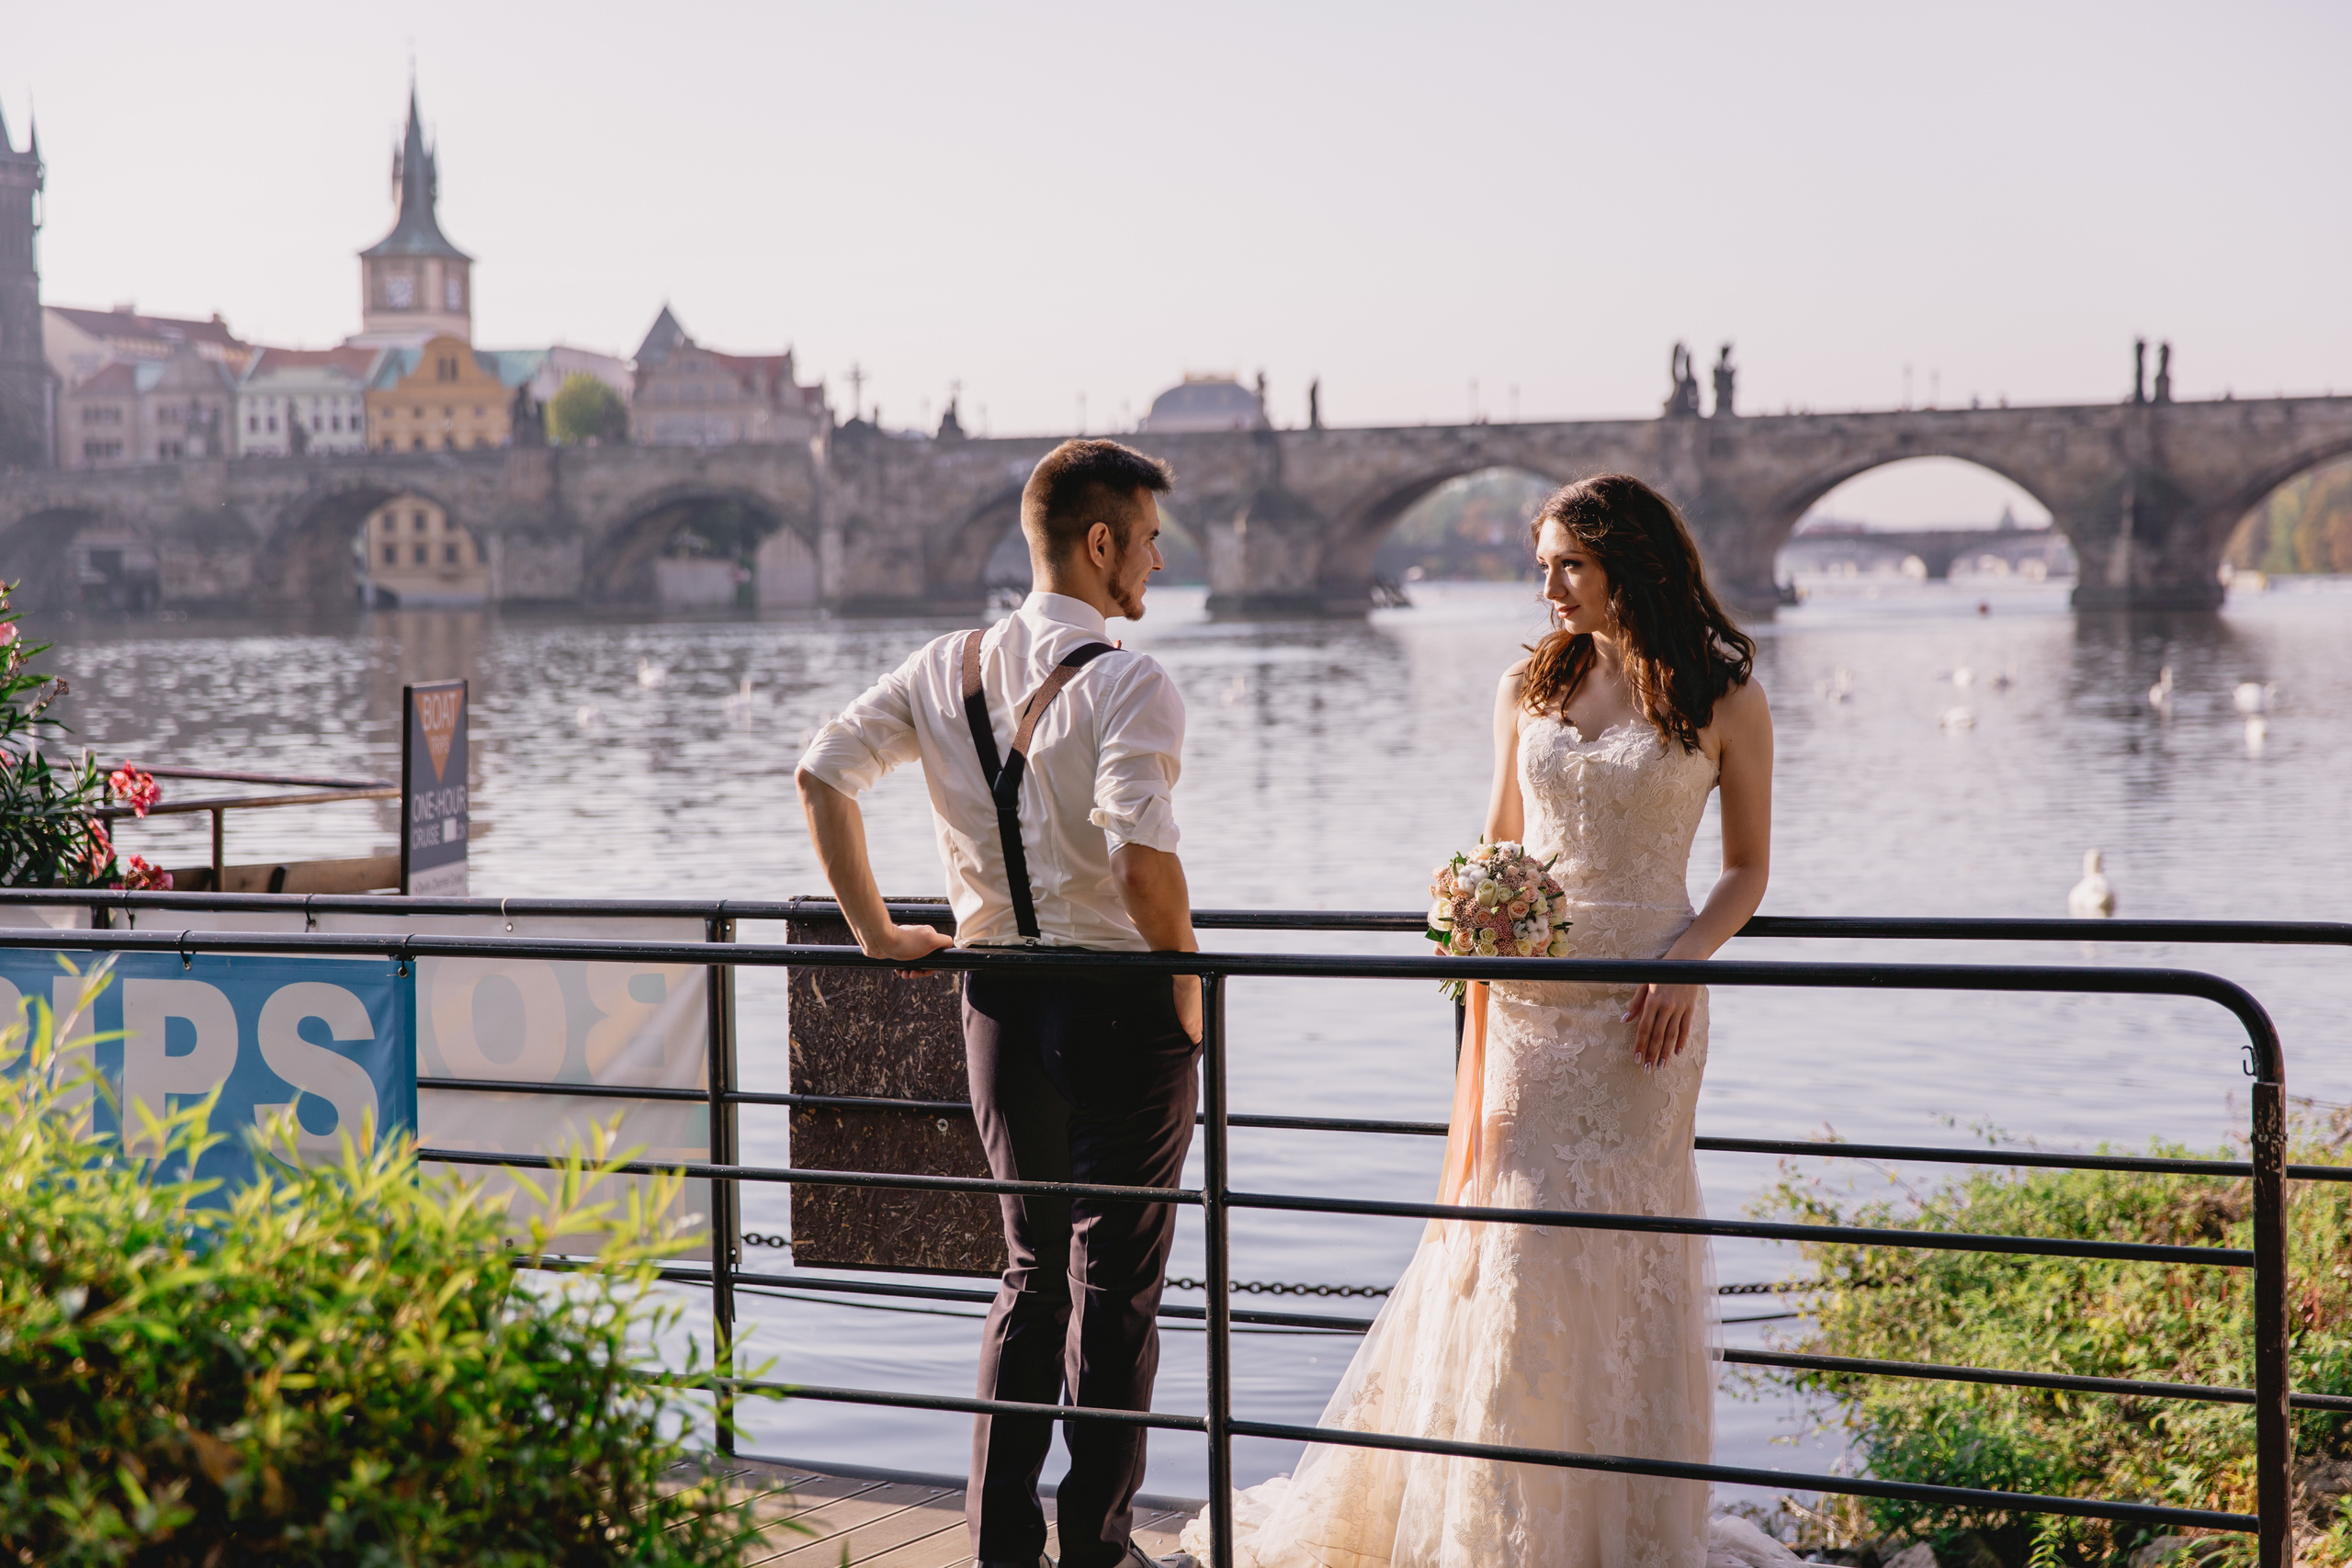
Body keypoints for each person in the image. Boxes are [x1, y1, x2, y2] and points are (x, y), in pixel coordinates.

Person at [1182, 474, 1789, 1567]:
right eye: (1544, 562)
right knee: (1512, 1245)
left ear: (1630, 565)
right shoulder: (1527, 684)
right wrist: (1468, 908)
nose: (1547, 584)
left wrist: (1690, 959)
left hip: (1645, 1008)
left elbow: (1745, 871)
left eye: (1569, 564)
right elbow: (1499, 840)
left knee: (1619, 1248)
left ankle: (1616, 1524)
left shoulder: (1726, 696)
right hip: (1525, 1003)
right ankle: (1498, 1523)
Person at [796, 438, 1203, 1568]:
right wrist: (1187, 982)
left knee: (1028, 1273)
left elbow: (821, 771)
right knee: (1114, 1287)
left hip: (995, 1001)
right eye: (1150, 542)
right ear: (1101, 541)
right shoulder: (1130, 680)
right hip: (1121, 1003)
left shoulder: (943, 666)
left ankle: (998, 1542)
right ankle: (1099, 1543)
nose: (1159, 565)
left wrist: (879, 936)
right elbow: (1138, 855)